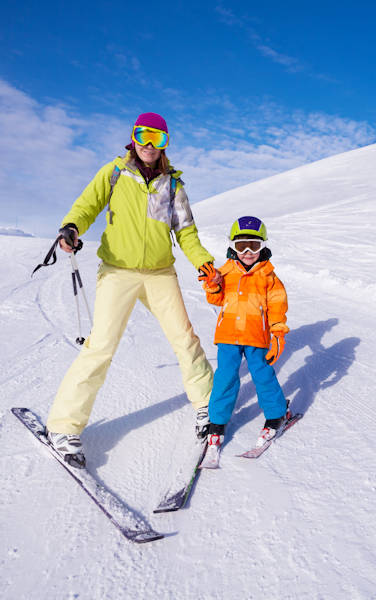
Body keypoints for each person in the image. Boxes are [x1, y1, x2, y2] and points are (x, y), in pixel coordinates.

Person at [45, 112, 223, 468]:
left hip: (160, 273)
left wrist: (204, 263)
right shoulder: (114, 173)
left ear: (165, 145)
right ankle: (63, 426)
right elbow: (87, 205)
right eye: (144, 136)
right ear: (133, 137)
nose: (149, 145)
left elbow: (186, 234)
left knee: (185, 340)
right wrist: (71, 227)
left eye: (158, 139)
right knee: (101, 347)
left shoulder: (173, 185)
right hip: (118, 271)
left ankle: (208, 408)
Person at [199, 216, 290, 467]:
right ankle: (217, 422)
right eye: (242, 246)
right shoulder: (225, 272)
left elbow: (277, 308)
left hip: (256, 336)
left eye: (253, 245)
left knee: (263, 375)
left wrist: (278, 334)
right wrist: (213, 286)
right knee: (225, 376)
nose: (248, 252)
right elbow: (215, 300)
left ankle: (276, 415)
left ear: (262, 246)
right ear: (233, 247)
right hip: (228, 335)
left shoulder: (269, 277)